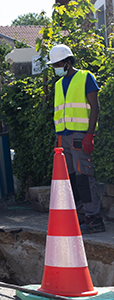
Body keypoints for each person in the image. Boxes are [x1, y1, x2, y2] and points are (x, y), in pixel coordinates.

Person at [49, 44, 104, 233]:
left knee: (84, 176)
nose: (55, 67)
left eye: (57, 63)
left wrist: (90, 135)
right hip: (63, 137)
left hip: (80, 135)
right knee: (71, 178)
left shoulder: (85, 77)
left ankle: (94, 219)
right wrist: (58, 138)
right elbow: (59, 113)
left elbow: (95, 107)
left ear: (67, 62)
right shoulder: (58, 84)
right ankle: (81, 215)